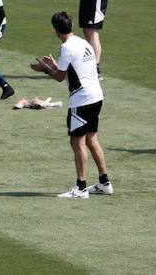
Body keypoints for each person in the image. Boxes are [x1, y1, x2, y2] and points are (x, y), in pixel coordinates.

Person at [32, 11, 112, 198]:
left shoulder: (66, 48)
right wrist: (54, 65)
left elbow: (60, 77)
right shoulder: (83, 43)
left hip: (81, 100)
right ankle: (104, 182)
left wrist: (45, 69)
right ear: (72, 25)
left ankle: (81, 187)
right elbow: (75, 69)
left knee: (77, 142)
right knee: (91, 139)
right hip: (96, 96)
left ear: (55, 31)